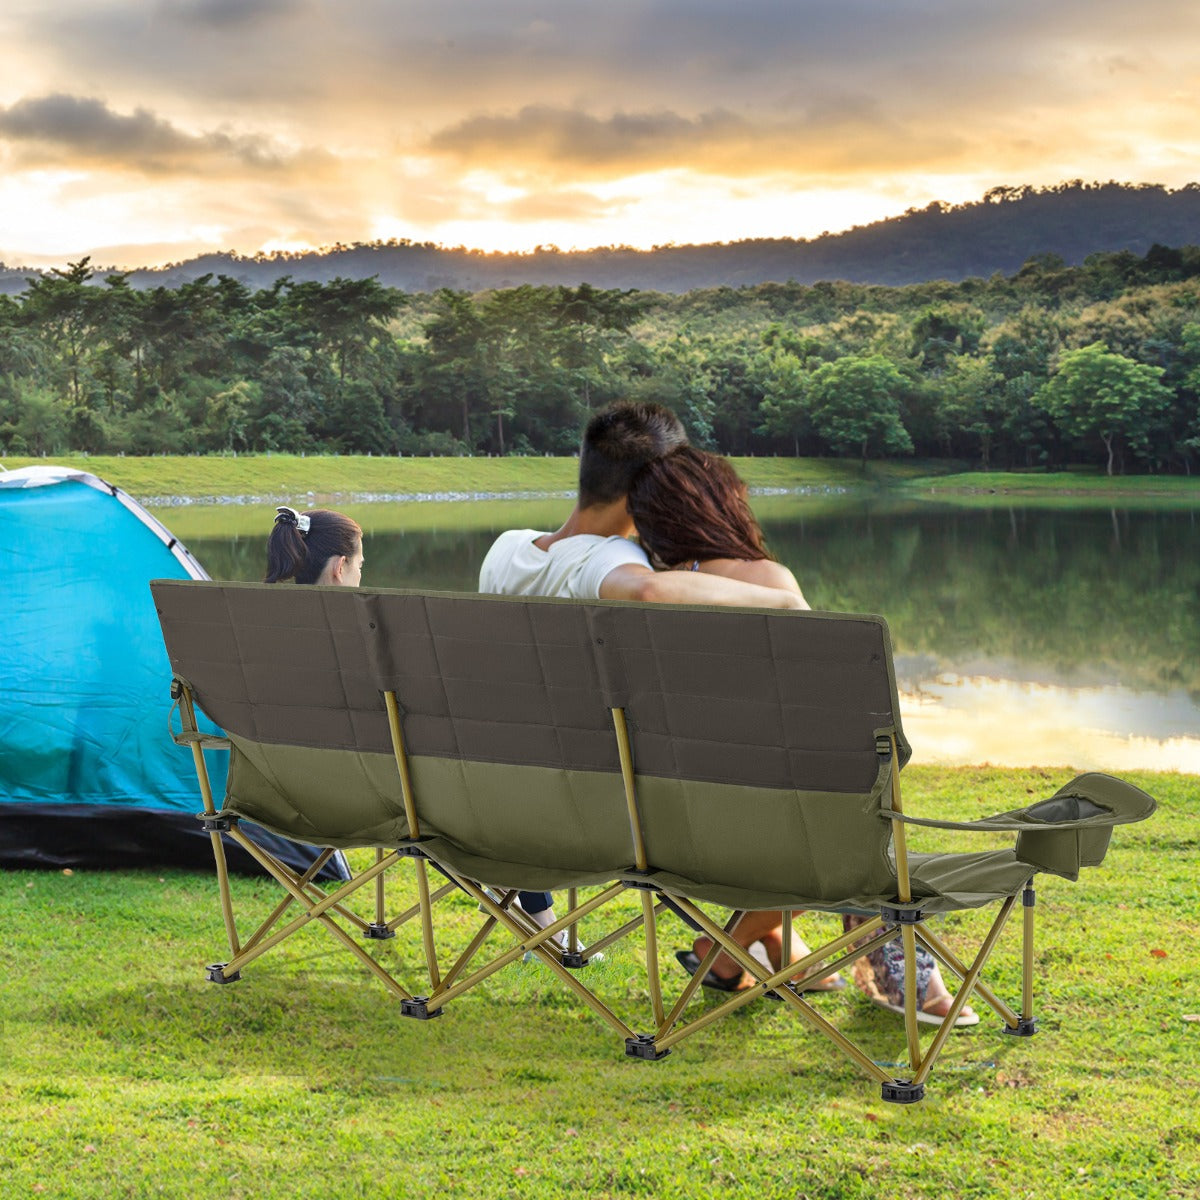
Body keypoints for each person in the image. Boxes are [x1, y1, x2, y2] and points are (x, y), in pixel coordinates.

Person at [627, 446, 977, 1025]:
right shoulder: (764, 580)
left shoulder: (631, 590)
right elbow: (826, 712)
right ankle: (906, 980)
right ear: (722, 506)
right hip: (773, 825)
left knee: (830, 814)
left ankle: (728, 948)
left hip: (666, 824)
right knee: (854, 817)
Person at [479, 402, 807, 949]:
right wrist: (783, 600)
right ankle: (755, 937)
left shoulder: (507, 548)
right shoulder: (604, 562)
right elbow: (648, 589)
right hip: (608, 812)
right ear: (654, 485)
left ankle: (763, 942)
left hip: (516, 793)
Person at [266, 506, 364, 586]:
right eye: (359, 566)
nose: (359, 574)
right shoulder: (363, 609)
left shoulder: (268, 607)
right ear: (340, 568)